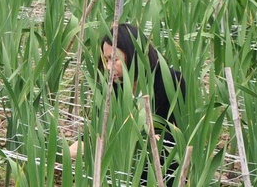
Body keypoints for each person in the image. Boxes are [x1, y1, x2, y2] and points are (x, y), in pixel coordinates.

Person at [69, 23, 184, 184]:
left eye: (114, 59)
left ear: (133, 54)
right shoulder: (111, 87)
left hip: (160, 171)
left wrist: (148, 140)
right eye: (105, 59)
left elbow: (180, 131)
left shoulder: (170, 81)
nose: (108, 67)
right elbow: (101, 126)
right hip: (120, 171)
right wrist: (80, 144)